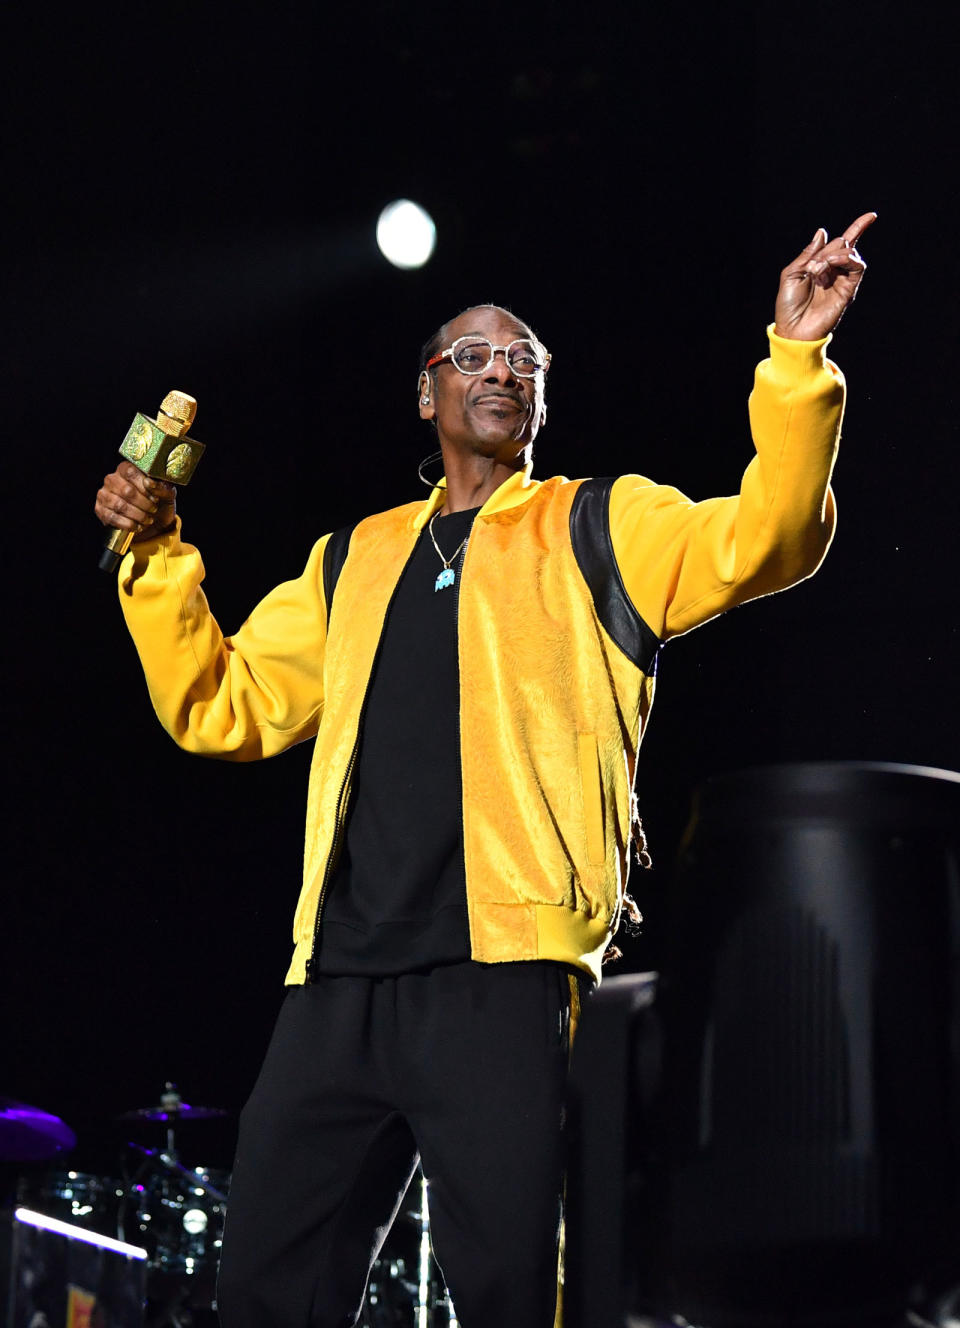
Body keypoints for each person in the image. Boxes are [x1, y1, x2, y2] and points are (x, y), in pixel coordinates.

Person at [95, 213, 875, 1328]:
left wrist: (796, 359)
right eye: (473, 354)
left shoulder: (602, 523)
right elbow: (224, 706)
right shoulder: (353, 557)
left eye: (525, 361)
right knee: (268, 1287)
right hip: (340, 982)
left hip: (504, 977)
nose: (501, 368)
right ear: (427, 394)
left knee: (511, 1289)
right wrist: (159, 559)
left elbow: (775, 531)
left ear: (541, 404)